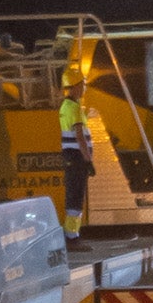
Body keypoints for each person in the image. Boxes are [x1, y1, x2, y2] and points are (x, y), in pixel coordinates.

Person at [58, 74, 91, 236]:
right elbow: (80, 137)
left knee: (72, 193)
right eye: (83, 84)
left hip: (71, 156)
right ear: (76, 86)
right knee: (77, 196)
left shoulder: (65, 106)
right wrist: (88, 160)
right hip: (78, 157)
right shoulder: (75, 108)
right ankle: (71, 235)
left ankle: (71, 233)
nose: (85, 88)